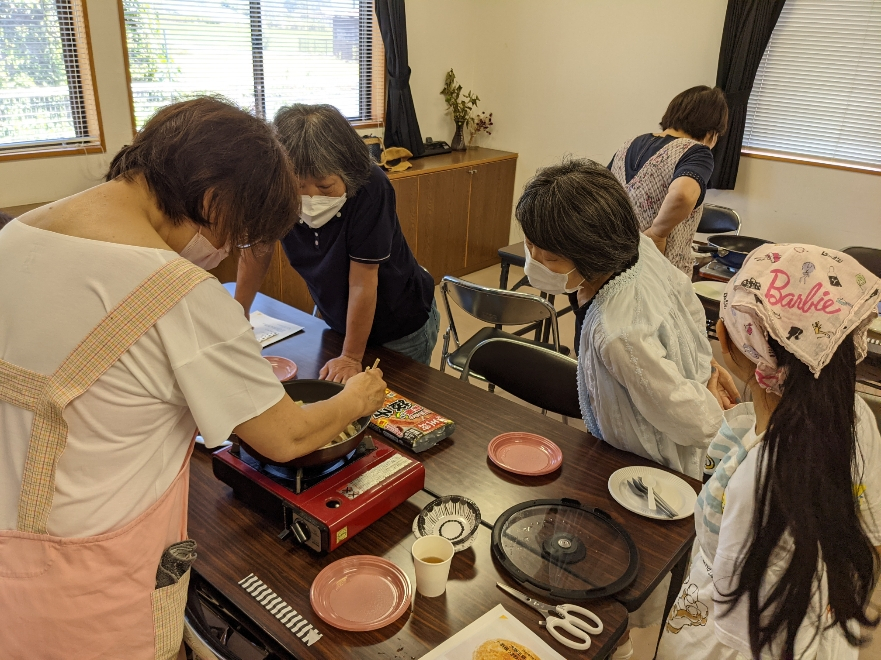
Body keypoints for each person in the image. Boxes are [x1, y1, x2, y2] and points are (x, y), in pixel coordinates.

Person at [0, 98, 386, 659]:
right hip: (92, 573)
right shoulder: (178, 293)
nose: (226, 253)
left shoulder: (18, 235)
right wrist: (355, 398)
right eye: (233, 234)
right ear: (210, 200)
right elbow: (288, 438)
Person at [516, 159, 737, 657]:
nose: (531, 261)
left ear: (589, 254)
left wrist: (712, 405)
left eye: (544, 255)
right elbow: (684, 297)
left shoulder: (618, 332)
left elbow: (682, 412)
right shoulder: (637, 246)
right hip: (627, 444)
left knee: (633, 575)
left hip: (648, 462)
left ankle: (629, 639)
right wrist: (703, 367)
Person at [658, 244, 881, 660]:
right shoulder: (854, 415)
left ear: (725, 340)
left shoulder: (758, 479)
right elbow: (872, 531)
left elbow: (743, 633)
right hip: (819, 625)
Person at [235, 104, 439, 382]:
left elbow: (362, 281)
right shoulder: (273, 181)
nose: (309, 197)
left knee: (392, 411)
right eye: (297, 187)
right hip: (337, 315)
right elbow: (258, 250)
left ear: (349, 173)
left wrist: (351, 357)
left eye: (325, 187)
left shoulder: (370, 185)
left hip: (398, 319)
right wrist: (239, 316)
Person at [608, 85, 729, 275]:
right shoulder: (696, 151)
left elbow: (597, 190)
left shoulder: (630, 143)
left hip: (613, 262)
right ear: (711, 132)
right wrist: (657, 234)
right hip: (656, 273)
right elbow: (683, 195)